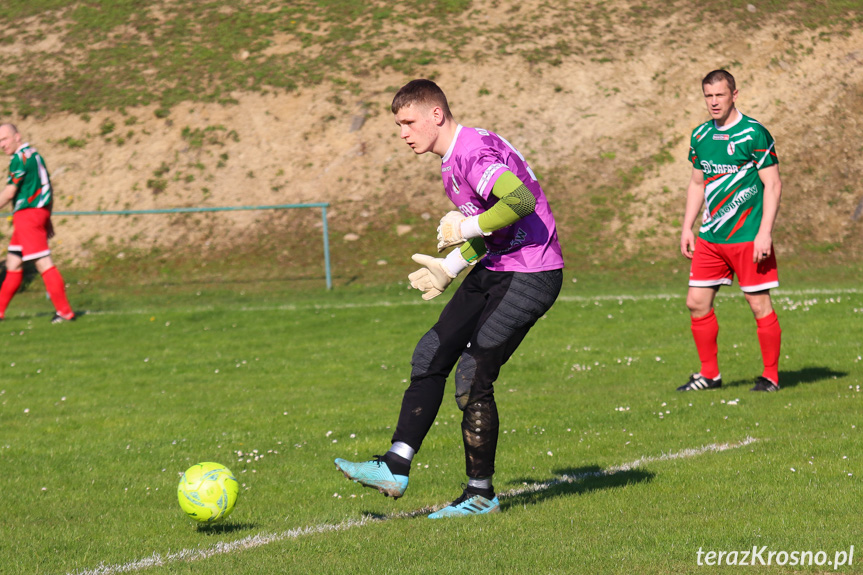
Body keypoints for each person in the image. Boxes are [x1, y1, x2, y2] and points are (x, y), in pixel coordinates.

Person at [334, 79, 564, 518]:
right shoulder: (449, 163)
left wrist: (466, 230)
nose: (402, 132)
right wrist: (450, 267)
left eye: (408, 122)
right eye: (398, 125)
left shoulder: (471, 152)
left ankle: (480, 495)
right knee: (431, 352)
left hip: (531, 272)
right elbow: (493, 227)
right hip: (500, 265)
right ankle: (395, 466)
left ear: (435, 115)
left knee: (472, 376)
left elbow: (517, 200)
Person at [677, 70, 781, 393]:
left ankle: (771, 377)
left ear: (734, 94)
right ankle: (709, 375)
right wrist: (687, 227)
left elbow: (773, 185)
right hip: (711, 237)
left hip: (748, 236)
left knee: (758, 305)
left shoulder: (754, 134)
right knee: (696, 302)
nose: (714, 102)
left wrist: (765, 232)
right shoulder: (701, 136)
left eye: (720, 95)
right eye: (708, 96)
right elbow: (697, 183)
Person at [0, 123, 75, 323]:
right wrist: (47, 217)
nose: (1, 145)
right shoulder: (34, 155)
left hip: (28, 216)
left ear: (18, 136)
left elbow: (9, 193)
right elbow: (47, 187)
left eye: (4, 139)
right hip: (37, 213)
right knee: (13, 263)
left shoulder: (19, 159)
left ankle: (64, 312)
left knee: (43, 263)